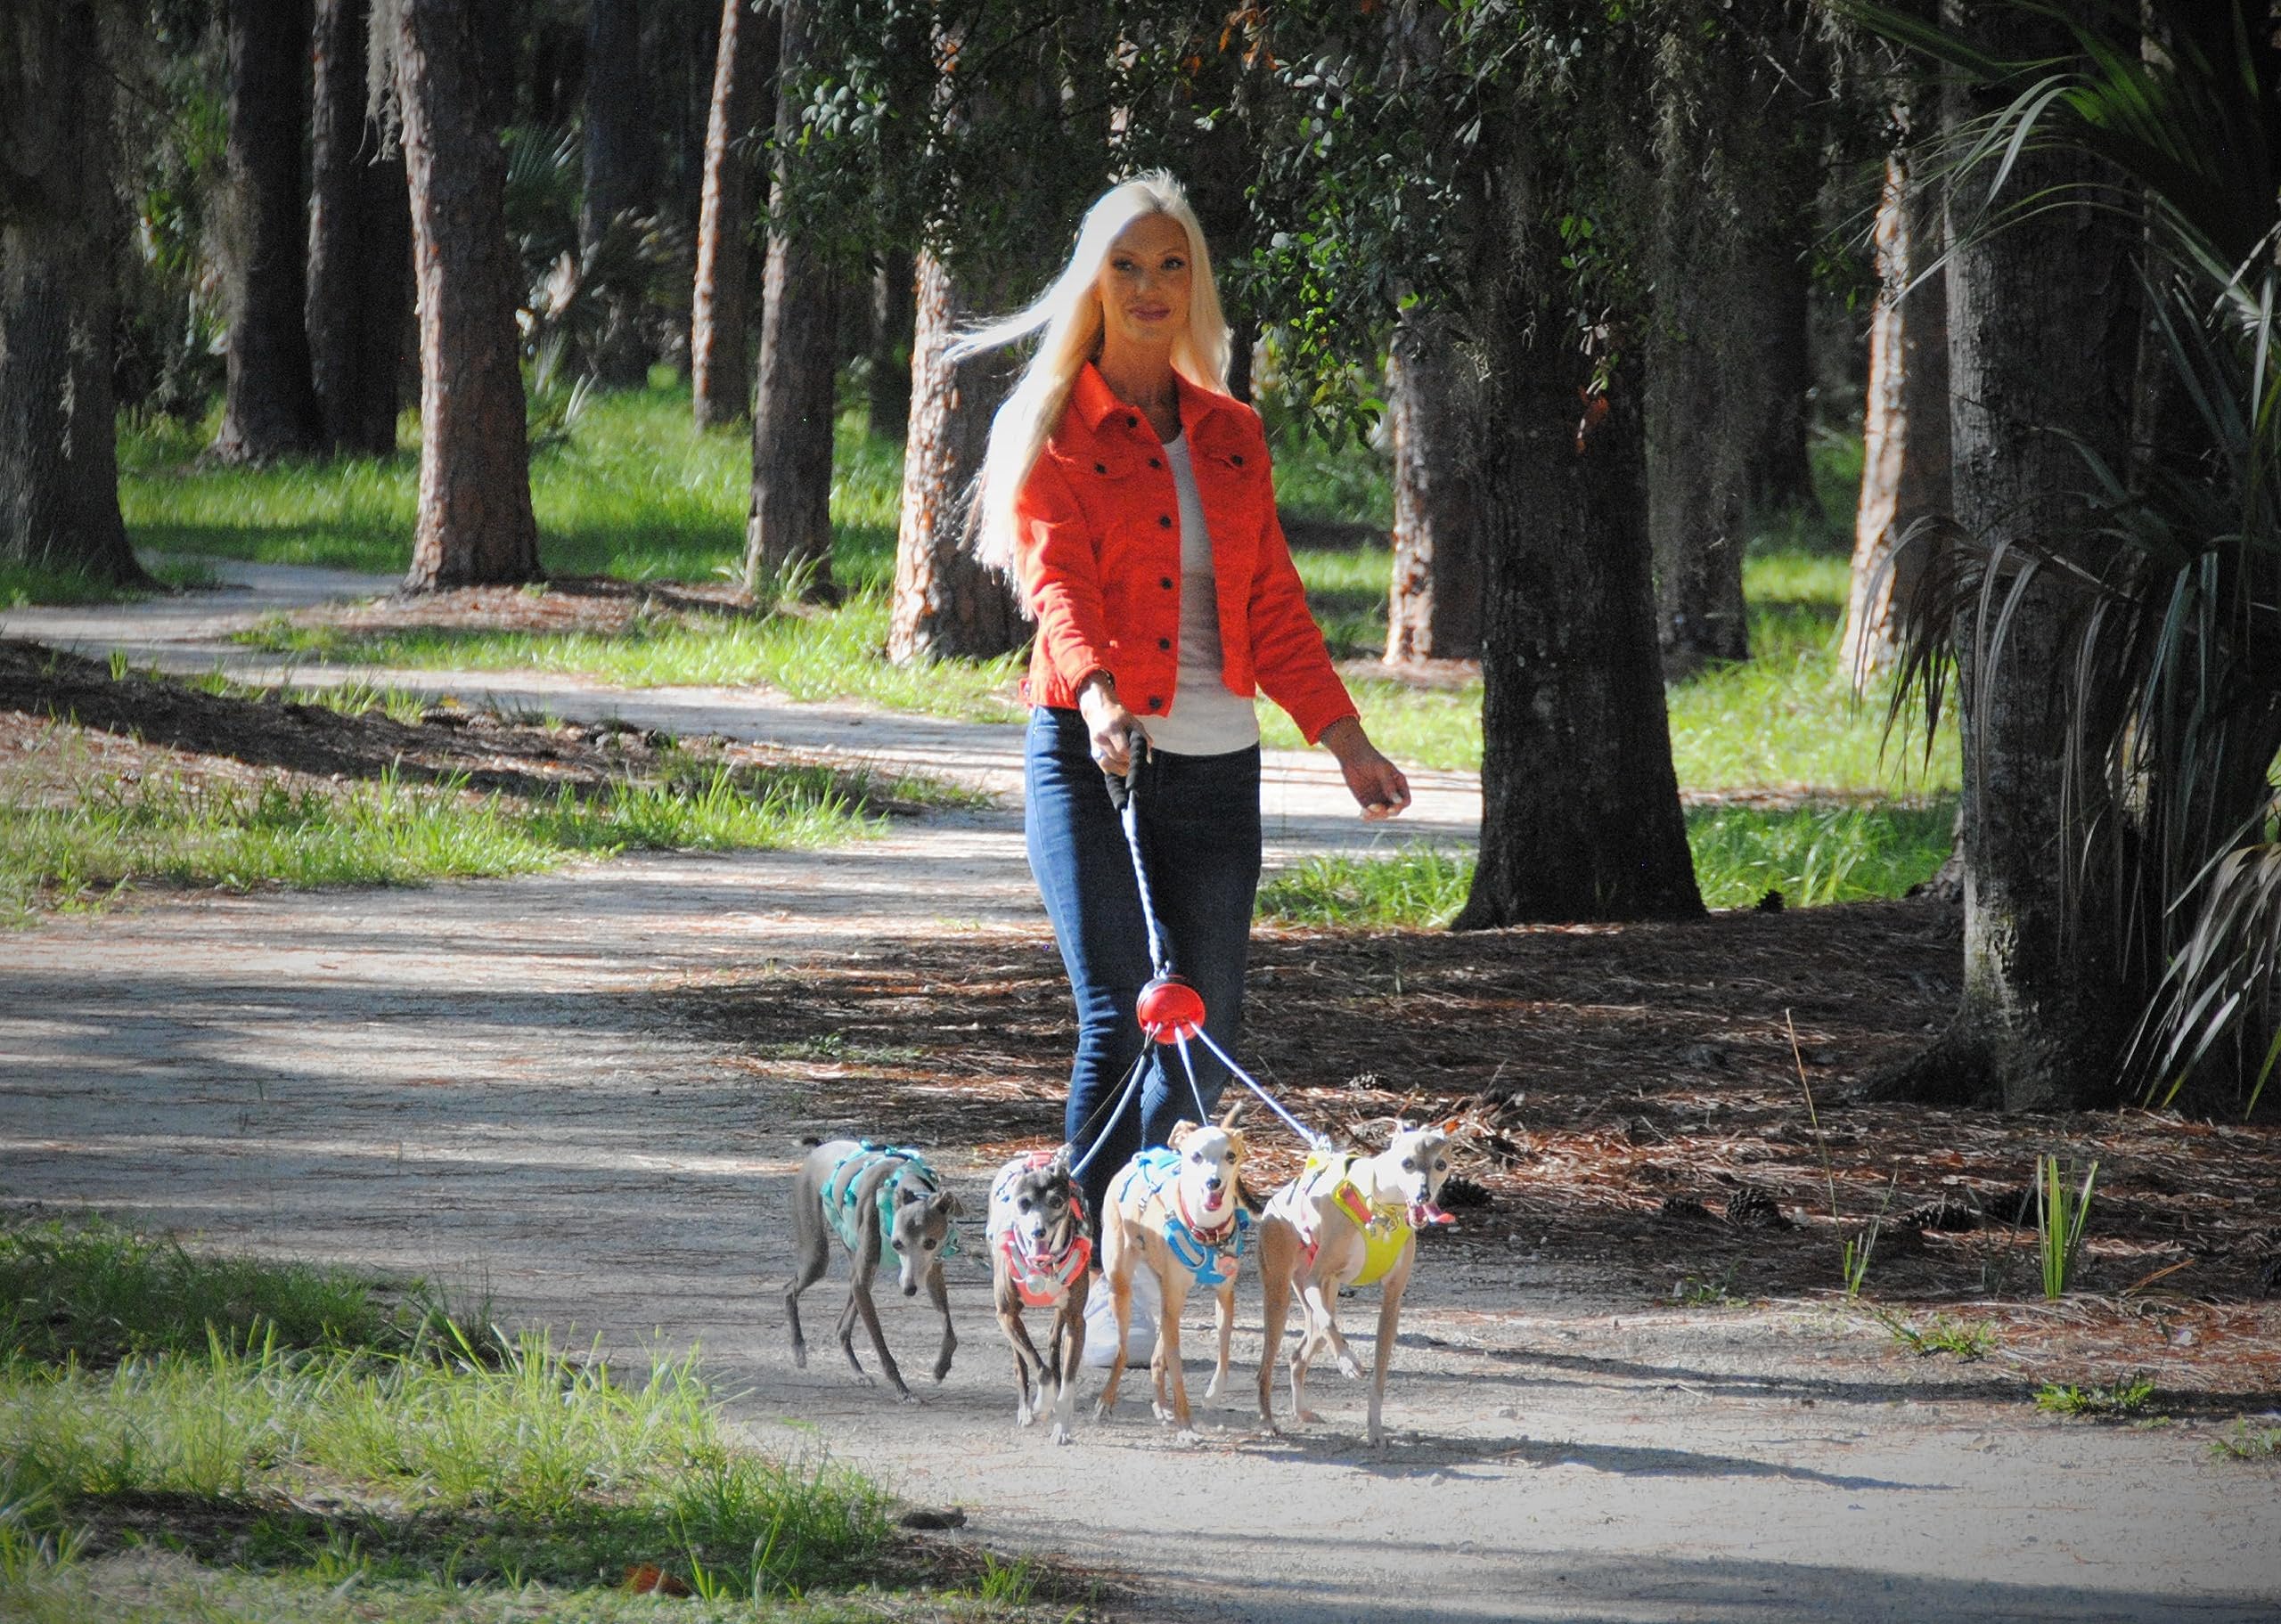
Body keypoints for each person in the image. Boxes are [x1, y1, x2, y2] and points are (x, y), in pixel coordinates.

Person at [955, 172, 1411, 1335]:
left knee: (1203, 1040)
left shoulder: (1233, 433)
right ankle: (1070, 1266)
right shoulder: (1055, 428)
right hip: (1089, 753)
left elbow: (1275, 604)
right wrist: (1100, 695)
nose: (1150, 287)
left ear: (1194, 283)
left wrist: (1347, 739)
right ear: (1093, 283)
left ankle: (1148, 1263)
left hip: (1218, 763)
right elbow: (1057, 585)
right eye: (1127, 266)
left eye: (1172, 266)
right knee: (1121, 1018)